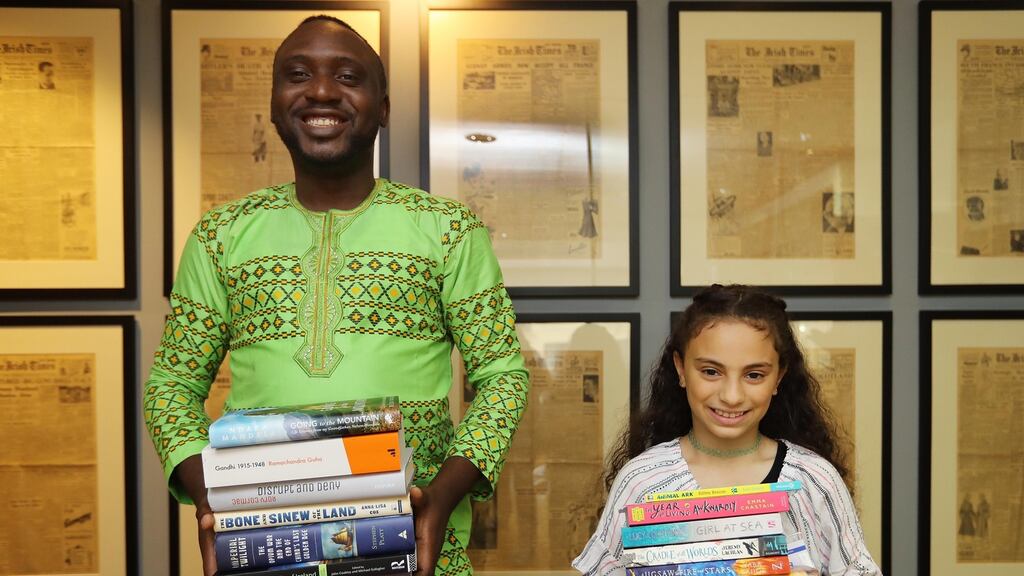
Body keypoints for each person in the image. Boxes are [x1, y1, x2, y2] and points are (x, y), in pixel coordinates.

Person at [143, 15, 529, 576]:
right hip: (265, 547)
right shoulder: (222, 235)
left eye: (347, 76)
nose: (321, 91)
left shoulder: (447, 229)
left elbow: (503, 376)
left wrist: (440, 500)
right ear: (275, 104)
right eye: (298, 75)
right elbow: (170, 386)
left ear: (384, 106)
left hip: (415, 543)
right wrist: (213, 502)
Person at [573, 284, 879, 575]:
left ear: (779, 377)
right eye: (710, 371)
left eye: (754, 375)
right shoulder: (641, 482)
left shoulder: (814, 481)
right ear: (681, 369)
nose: (732, 396)